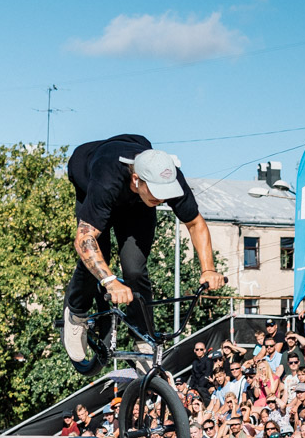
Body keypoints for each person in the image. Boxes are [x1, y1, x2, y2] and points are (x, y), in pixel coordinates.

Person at [61, 135, 225, 371]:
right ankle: (76, 313)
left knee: (135, 268)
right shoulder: (107, 179)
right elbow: (84, 240)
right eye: (157, 192)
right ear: (136, 179)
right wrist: (109, 281)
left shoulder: (169, 176)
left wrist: (208, 269)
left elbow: (195, 223)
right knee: (98, 255)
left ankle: (142, 338)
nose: (162, 198)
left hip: (136, 204)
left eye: (164, 192)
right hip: (90, 182)